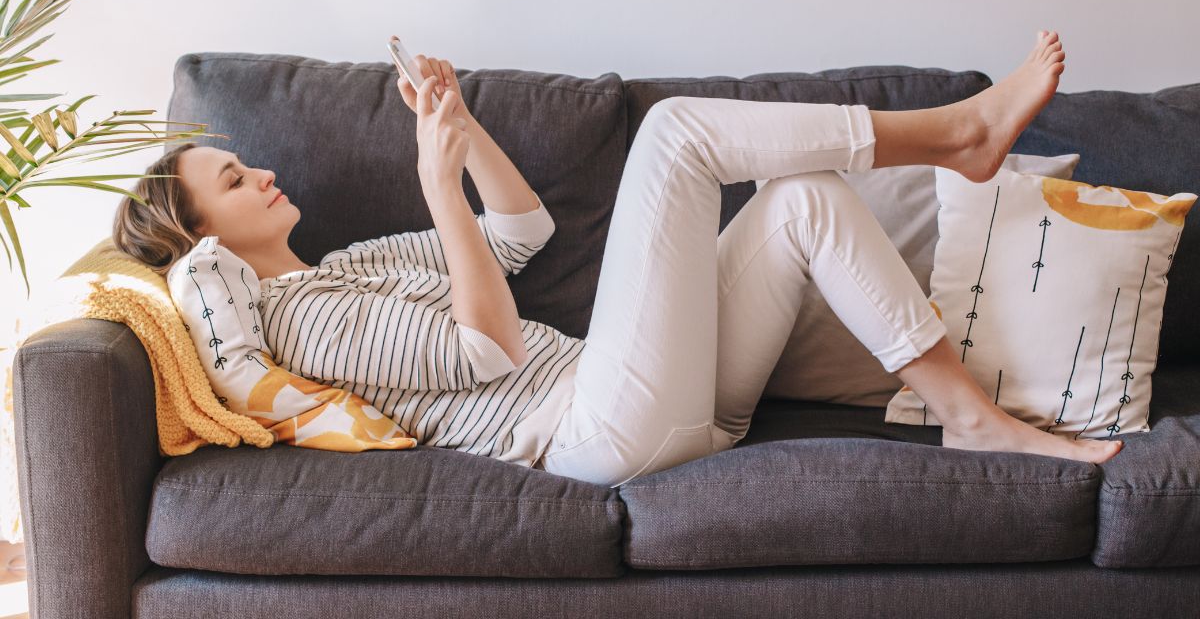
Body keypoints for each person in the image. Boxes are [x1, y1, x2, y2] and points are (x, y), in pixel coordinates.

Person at [112, 29, 1122, 489]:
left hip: (664, 405)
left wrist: (462, 131)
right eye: (237, 180)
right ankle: (955, 134)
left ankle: (966, 416)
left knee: (804, 198)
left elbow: (520, 237)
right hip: (594, 427)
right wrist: (433, 180)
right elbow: (487, 352)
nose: (265, 173)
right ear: (205, 238)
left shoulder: (347, 266)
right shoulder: (301, 319)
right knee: (677, 133)